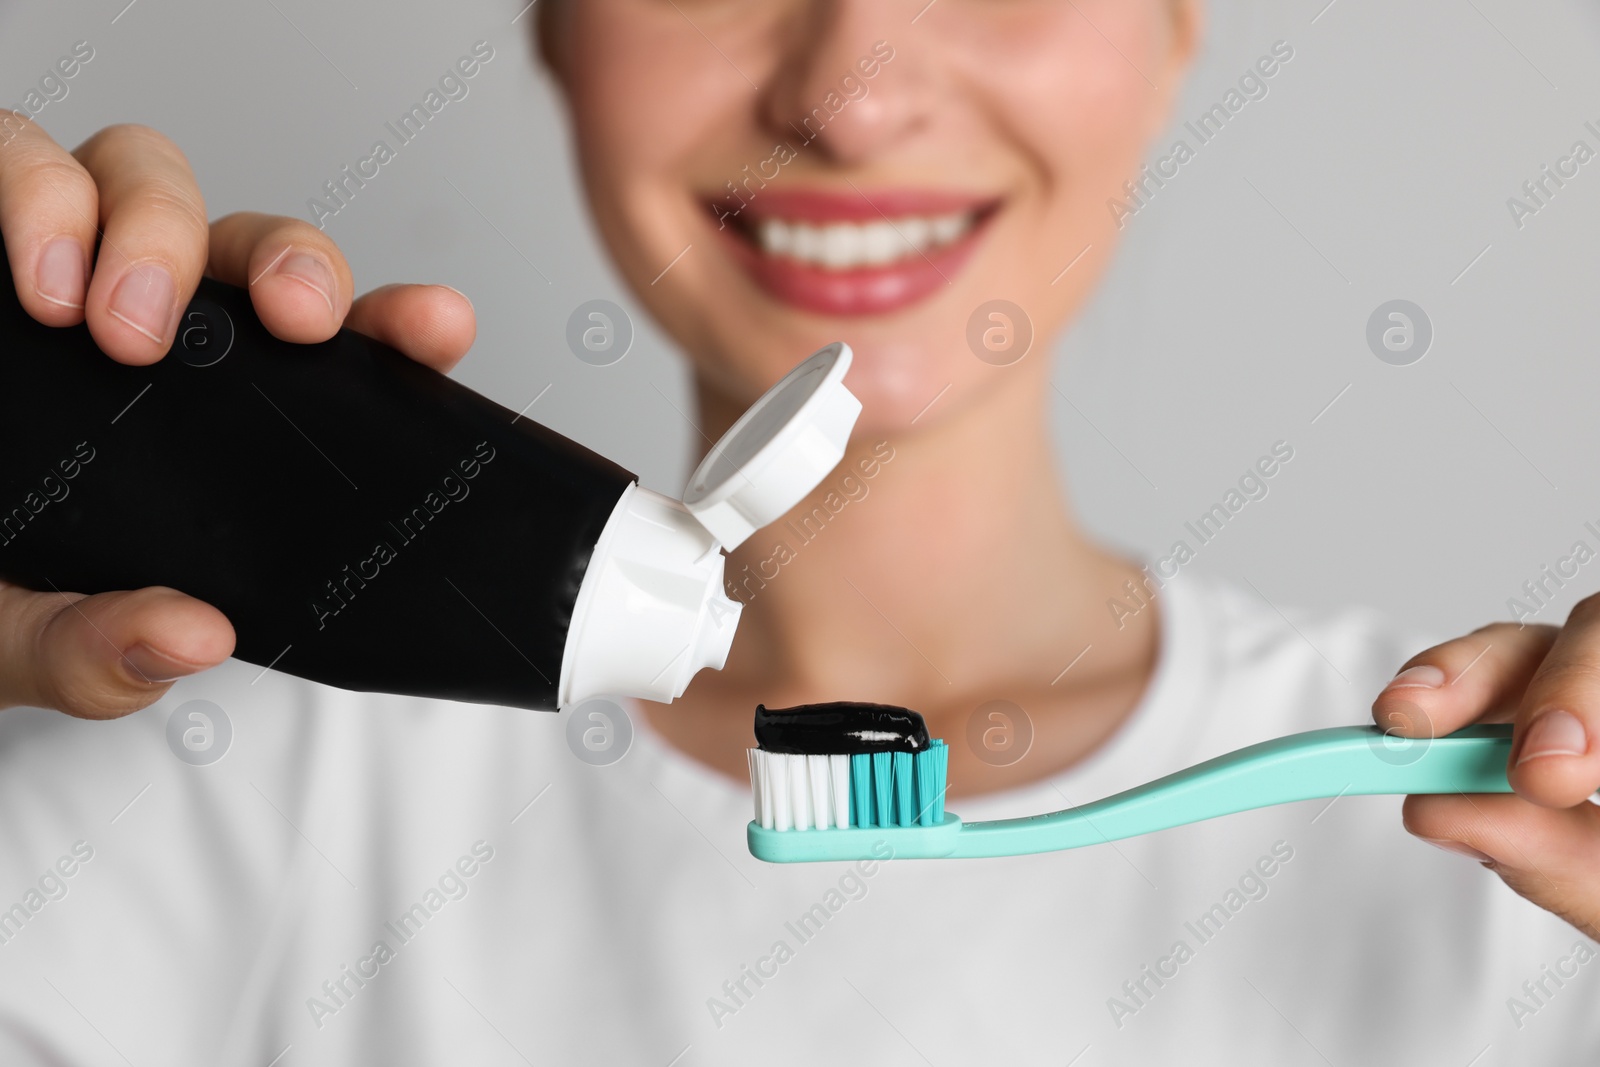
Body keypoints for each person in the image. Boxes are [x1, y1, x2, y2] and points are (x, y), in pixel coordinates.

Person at [0, 0, 1595, 1063]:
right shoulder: (182, 767)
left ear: (1174, 25)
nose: (855, 97)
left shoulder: (1530, 865)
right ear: (555, 24)